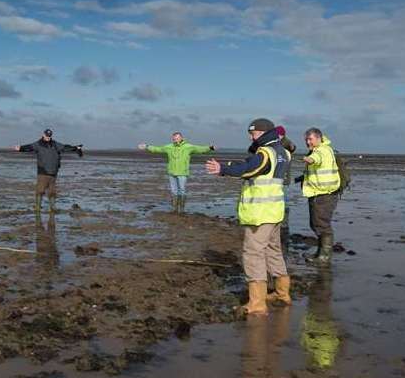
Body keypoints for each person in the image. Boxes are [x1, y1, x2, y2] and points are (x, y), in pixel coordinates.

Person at [206, 118, 292, 316]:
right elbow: (250, 163)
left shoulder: (265, 152)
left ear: (261, 132)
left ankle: (257, 303)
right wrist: (230, 165)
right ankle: (282, 293)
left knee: (253, 254)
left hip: (259, 215)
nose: (250, 136)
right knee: (274, 252)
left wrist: (223, 170)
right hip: (275, 212)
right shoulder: (283, 152)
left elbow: (250, 168)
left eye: (252, 133)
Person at [138, 131, 215, 212]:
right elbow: (157, 149)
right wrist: (147, 146)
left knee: (182, 190)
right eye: (174, 138)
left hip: (182, 173)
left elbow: (200, 149)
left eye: (177, 138)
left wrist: (210, 148)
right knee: (174, 191)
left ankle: (181, 208)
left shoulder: (188, 147)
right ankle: (175, 208)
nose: (175, 139)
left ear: (181, 138)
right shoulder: (169, 147)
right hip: (172, 172)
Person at [14, 128, 84, 213]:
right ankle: (38, 208)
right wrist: (20, 148)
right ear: (43, 135)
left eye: (49, 136)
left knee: (52, 192)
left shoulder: (55, 144)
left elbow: (65, 147)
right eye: (47, 136)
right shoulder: (38, 144)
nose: (48, 137)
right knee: (40, 190)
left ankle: (52, 208)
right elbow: (29, 147)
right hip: (43, 172)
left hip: (53, 172)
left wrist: (75, 148)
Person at [300, 128, 341, 265]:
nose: (307, 142)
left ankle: (325, 257)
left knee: (321, 224)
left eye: (310, 139)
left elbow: (317, 160)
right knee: (316, 224)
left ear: (319, 138)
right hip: (319, 192)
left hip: (324, 194)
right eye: (306, 139)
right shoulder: (323, 149)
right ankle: (320, 253)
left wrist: (310, 159)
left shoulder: (321, 150)